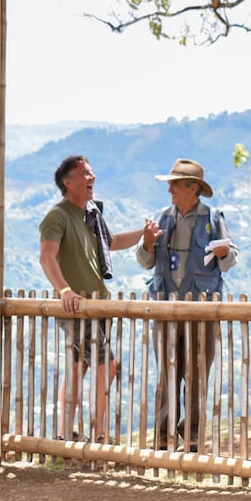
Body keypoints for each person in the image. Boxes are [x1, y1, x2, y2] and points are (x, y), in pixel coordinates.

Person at [39, 155, 146, 443]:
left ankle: (65, 432)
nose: (92, 177)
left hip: (94, 306)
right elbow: (46, 258)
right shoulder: (57, 216)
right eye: (85, 173)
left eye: (92, 172)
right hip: (76, 308)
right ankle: (99, 433)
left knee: (80, 366)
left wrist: (143, 234)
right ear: (68, 181)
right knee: (106, 365)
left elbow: (110, 243)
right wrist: (64, 291)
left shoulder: (91, 215)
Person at [137, 158, 239, 452]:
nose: (169, 190)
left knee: (197, 371)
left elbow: (231, 259)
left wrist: (223, 251)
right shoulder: (160, 218)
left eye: (175, 184)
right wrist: (146, 243)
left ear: (192, 188)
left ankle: (192, 434)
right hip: (166, 308)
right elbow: (145, 262)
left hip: (202, 309)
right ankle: (163, 433)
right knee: (168, 371)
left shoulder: (213, 217)